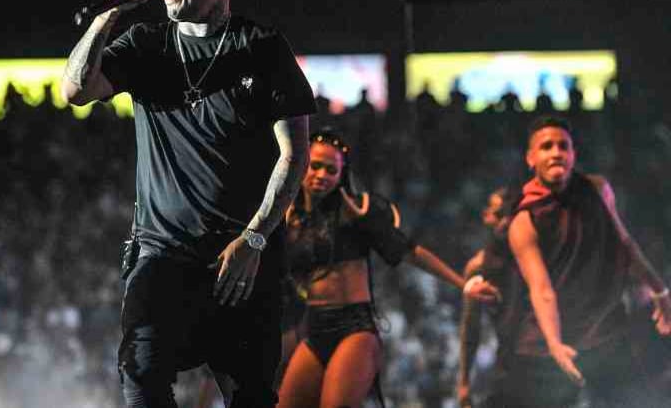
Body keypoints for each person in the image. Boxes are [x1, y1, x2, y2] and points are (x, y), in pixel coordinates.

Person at [60, 0, 317, 408]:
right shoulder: (146, 45)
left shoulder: (262, 47)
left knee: (250, 397)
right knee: (141, 377)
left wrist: (255, 238)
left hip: (240, 261)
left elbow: (295, 154)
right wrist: (107, 16)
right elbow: (75, 89)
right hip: (162, 255)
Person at [276, 129, 500, 408]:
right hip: (313, 326)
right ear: (301, 165)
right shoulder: (290, 216)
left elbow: (410, 251)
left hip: (354, 328)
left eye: (331, 170)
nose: (322, 175)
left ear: (342, 175)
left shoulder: (356, 211)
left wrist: (463, 284)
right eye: (316, 166)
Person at [505, 115, 671, 407]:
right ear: (531, 159)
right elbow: (541, 289)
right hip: (550, 345)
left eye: (563, 146)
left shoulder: (598, 189)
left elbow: (624, 244)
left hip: (606, 332)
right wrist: (555, 344)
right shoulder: (525, 220)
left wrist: (660, 291)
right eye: (546, 146)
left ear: (573, 154)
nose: (556, 152)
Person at [456, 186, 522, 408]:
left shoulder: (543, 255)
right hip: (509, 365)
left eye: (512, 214)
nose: (507, 221)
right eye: (500, 214)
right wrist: (464, 382)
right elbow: (470, 329)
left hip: (546, 362)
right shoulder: (478, 268)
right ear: (487, 216)